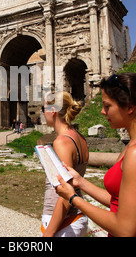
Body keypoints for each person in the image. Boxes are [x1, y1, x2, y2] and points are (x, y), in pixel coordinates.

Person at [56, 73, 136, 237]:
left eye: (107, 106)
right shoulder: (135, 144)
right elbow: (121, 202)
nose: (102, 111)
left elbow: (125, 230)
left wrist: (73, 198)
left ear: (130, 107)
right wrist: (80, 182)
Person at [41, 91, 89, 237]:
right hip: (74, 216)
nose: (43, 113)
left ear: (53, 111)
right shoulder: (78, 136)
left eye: (43, 109)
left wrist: (49, 233)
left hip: (63, 218)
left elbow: (66, 192)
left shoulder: (62, 142)